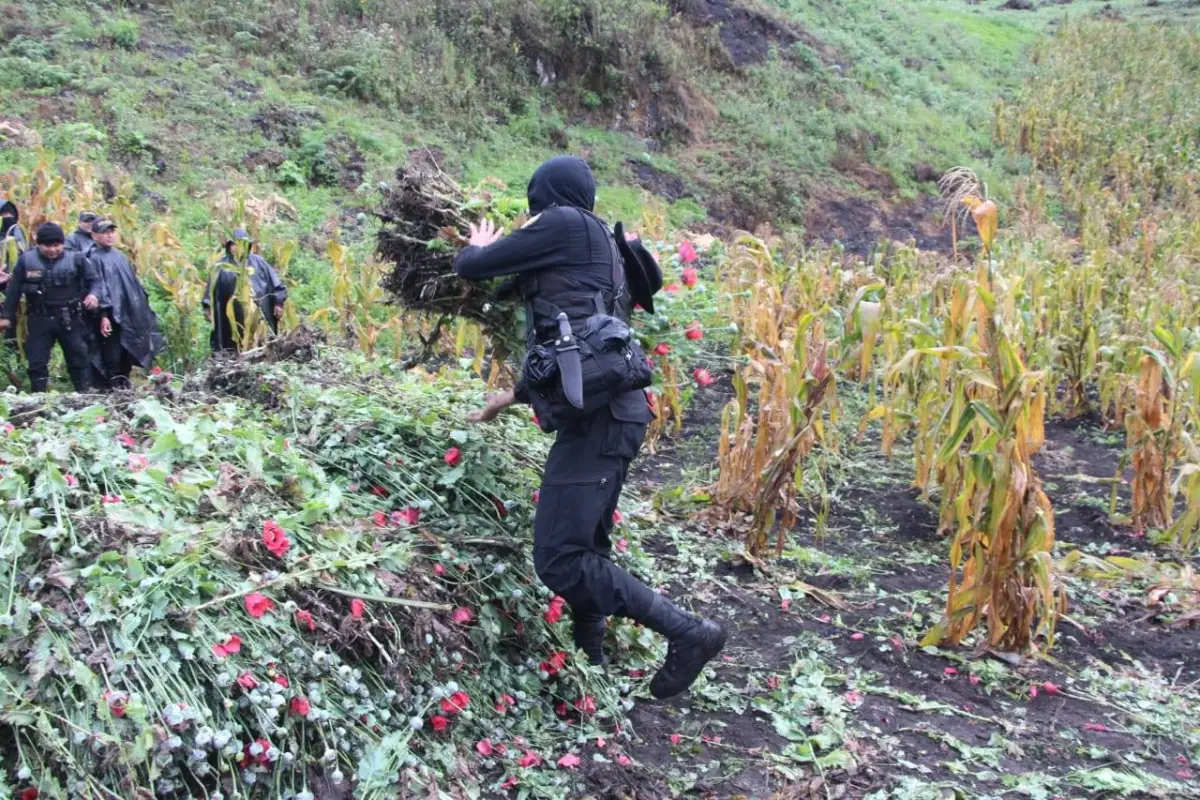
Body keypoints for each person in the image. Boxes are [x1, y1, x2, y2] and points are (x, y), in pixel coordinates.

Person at [456, 156, 726, 700]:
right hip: (611, 415)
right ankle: (591, 663)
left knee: (559, 558)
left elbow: (471, 268)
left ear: (546, 195)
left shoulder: (565, 223)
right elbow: (578, 347)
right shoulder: (597, 254)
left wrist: (479, 246)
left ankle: (689, 633)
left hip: (601, 421)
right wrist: (506, 399)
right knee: (584, 548)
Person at [0, 222, 102, 392]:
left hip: (70, 319)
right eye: (47, 245)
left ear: (63, 243)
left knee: (79, 359)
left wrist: (94, 295)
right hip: (39, 319)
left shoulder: (76, 259)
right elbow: (14, 290)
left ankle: (83, 395)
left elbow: (95, 281)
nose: (53, 250)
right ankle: (38, 398)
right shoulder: (27, 260)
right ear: (38, 244)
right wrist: (6, 317)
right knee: (36, 362)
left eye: (57, 245)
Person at [89, 219, 164, 390]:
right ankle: (112, 388)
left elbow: (130, 286)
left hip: (127, 315)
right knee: (111, 354)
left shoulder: (119, 256)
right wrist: (104, 315)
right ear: (94, 235)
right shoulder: (93, 258)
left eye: (112, 231)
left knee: (126, 352)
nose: (110, 235)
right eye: (105, 232)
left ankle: (124, 386)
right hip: (109, 317)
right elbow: (98, 288)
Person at [202, 228, 288, 352]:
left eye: (242, 244)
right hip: (229, 319)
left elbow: (275, 284)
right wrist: (207, 307)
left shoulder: (259, 262)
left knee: (260, 341)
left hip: (258, 314)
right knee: (231, 344)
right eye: (235, 245)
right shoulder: (221, 266)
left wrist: (278, 303)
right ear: (229, 246)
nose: (238, 248)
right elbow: (210, 290)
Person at [0, 200, 29, 352]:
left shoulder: (18, 233)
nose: (7, 217)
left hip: (16, 291)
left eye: (10, 214)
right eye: (2, 214)